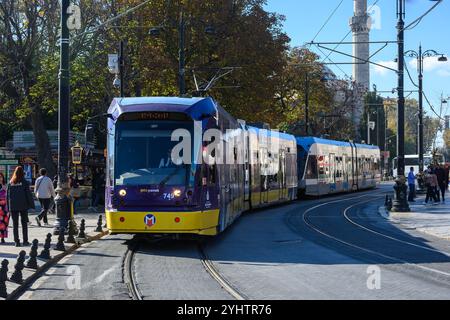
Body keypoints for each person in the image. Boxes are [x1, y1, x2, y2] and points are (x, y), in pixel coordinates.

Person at [6, 166, 35, 247]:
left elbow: (7, 196)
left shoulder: (11, 182)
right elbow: (28, 195)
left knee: (15, 225)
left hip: (13, 206)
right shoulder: (25, 182)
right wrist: (31, 205)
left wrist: (8, 207)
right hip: (23, 206)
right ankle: (25, 241)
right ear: (23, 173)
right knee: (24, 224)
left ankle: (17, 242)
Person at [0, 172, 9, 244]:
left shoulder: (5, 185)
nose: (0, 178)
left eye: (1, 177)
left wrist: (5, 189)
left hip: (4, 207)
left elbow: (8, 196)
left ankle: (2, 238)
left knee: (4, 223)